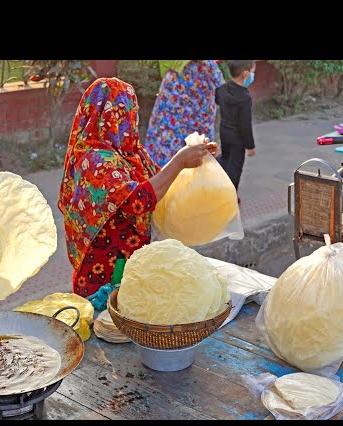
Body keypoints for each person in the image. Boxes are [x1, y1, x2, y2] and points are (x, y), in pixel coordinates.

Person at [57, 77, 218, 297]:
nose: (133, 119)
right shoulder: (94, 159)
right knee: (106, 325)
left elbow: (159, 181)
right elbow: (138, 200)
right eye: (129, 112)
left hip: (130, 262)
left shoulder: (131, 153)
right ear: (110, 116)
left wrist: (195, 159)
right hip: (104, 270)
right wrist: (179, 161)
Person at [144, 60, 225, 168]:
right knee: (195, 154)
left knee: (164, 148)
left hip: (172, 106)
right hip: (194, 110)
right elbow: (221, 84)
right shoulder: (205, 66)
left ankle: (160, 177)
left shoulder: (177, 66)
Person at [215, 60, 257, 199]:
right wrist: (250, 146)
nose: (252, 75)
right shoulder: (245, 98)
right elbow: (245, 124)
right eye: (252, 72)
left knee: (225, 160)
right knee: (235, 168)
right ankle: (229, 196)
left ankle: (219, 186)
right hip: (237, 139)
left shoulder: (221, 90)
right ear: (245, 74)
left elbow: (217, 100)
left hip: (224, 133)